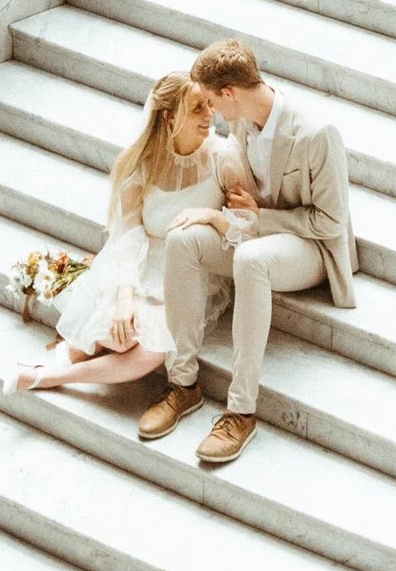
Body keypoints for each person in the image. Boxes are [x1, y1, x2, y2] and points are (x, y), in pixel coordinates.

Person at [139, 36, 356, 469]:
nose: (211, 113)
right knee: (185, 239)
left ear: (230, 93)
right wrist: (224, 217)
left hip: (308, 247)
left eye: (211, 102)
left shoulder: (317, 134)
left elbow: (330, 223)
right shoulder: (241, 123)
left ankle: (240, 411)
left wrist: (258, 219)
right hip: (257, 236)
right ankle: (183, 385)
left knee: (249, 259)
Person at [12, 71, 221, 397]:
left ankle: (52, 378)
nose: (211, 115)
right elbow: (128, 237)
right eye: (198, 108)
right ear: (169, 117)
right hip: (141, 265)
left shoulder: (223, 157)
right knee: (118, 330)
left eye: (211, 104)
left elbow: (243, 217)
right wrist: (126, 297)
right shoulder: (140, 169)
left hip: (189, 271)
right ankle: (59, 360)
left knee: (152, 351)